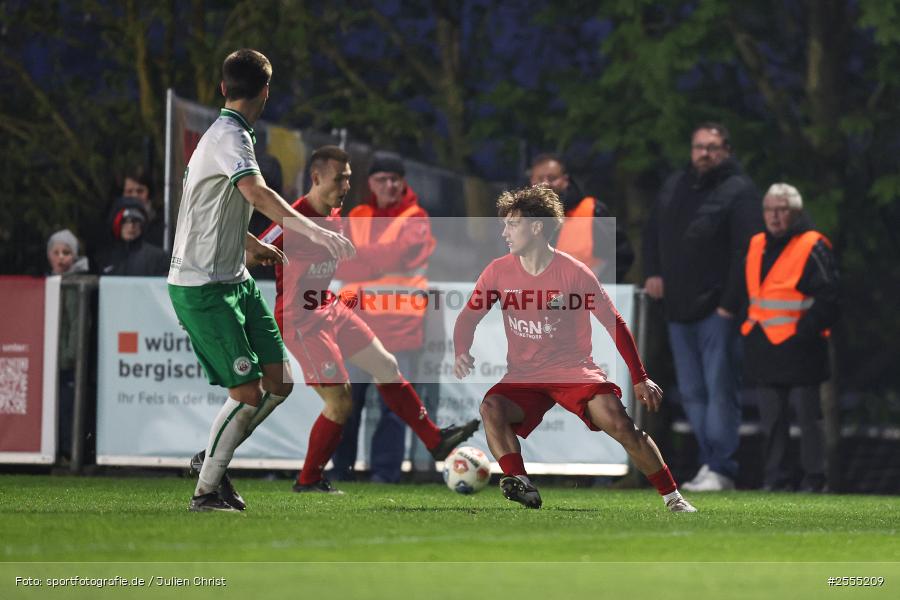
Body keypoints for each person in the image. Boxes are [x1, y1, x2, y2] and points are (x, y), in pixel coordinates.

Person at [168, 49, 355, 512]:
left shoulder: (229, 135)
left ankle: (216, 457)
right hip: (202, 286)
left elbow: (210, 202)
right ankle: (207, 489)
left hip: (235, 278)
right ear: (266, 92)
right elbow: (254, 191)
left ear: (222, 88)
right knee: (248, 392)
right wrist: (310, 228)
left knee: (280, 381)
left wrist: (249, 242)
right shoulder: (229, 135)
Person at [453, 185, 696, 513]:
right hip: (525, 375)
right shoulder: (498, 271)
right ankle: (519, 481)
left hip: (573, 370)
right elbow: (467, 318)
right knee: (492, 407)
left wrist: (640, 377)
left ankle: (673, 498)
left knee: (622, 426)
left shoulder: (574, 273)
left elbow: (615, 324)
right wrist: (461, 350)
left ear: (537, 227)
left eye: (513, 224)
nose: (505, 232)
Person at [260, 145, 479, 493]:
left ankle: (434, 439)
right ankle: (309, 480)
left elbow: (354, 259)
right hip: (300, 320)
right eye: (339, 179)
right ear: (316, 178)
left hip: (332, 307)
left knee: (387, 366)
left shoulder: (338, 213)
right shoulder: (295, 216)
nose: (346, 186)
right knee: (341, 403)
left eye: (348, 178)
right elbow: (252, 248)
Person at [643, 122, 763, 492]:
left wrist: (730, 304)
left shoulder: (739, 190)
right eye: (699, 147)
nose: (704, 154)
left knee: (719, 390)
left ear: (726, 149)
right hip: (678, 308)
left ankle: (721, 467)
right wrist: (652, 272)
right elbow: (653, 230)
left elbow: (748, 250)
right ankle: (709, 464)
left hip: (718, 311)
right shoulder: (675, 183)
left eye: (712, 147)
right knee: (693, 392)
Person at [329, 153, 438, 483]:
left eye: (395, 178)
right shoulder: (358, 215)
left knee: (393, 410)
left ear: (403, 182)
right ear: (371, 183)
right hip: (355, 326)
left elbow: (397, 255)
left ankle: (385, 474)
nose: (390, 184)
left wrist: (362, 258)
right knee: (347, 403)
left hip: (399, 330)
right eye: (382, 179)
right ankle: (341, 470)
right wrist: (380, 261)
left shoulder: (416, 217)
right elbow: (341, 264)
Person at [741, 183, 839, 492]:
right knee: (772, 422)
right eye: (769, 209)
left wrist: (804, 331)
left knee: (809, 420)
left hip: (803, 347)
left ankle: (815, 480)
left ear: (796, 213)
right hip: (766, 346)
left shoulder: (813, 244)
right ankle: (776, 480)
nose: (774, 216)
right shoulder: (756, 243)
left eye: (782, 209)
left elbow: (830, 296)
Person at [529, 154, 634, 283]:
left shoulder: (591, 210)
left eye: (552, 178)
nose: (545, 183)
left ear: (565, 180)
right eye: (540, 179)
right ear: (532, 181)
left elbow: (621, 255)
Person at [46, 229, 89, 459]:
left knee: (67, 408)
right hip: (50, 357)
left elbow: (76, 322)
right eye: (56, 252)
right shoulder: (47, 281)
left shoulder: (77, 284)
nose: (61, 257)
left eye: (66, 252)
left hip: (66, 359)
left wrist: (71, 354)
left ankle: (66, 452)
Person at [95, 197, 169, 276]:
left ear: (142, 225)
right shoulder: (104, 258)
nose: (131, 226)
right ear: (116, 224)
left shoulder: (158, 258)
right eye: (124, 221)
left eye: (136, 221)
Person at [121, 166, 165, 248]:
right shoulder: (116, 224)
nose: (134, 196)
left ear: (150, 194)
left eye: (140, 191)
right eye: (129, 192)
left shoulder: (164, 222)